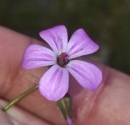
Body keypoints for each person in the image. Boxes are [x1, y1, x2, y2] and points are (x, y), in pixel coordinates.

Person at [0, 26, 130, 125]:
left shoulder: (72, 62)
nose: (63, 57)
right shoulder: (54, 55)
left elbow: (92, 80)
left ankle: (69, 118)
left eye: (64, 58)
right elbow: (30, 59)